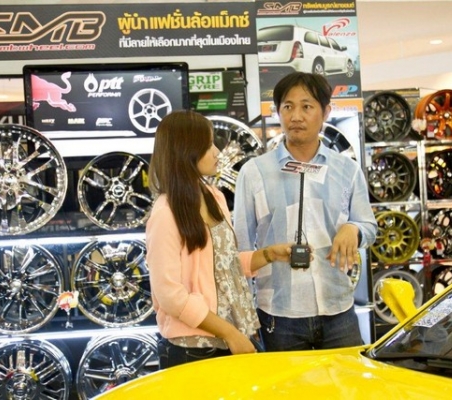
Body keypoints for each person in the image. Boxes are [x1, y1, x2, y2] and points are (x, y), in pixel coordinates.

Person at [233, 72, 377, 351]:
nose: (296, 116)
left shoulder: (346, 169)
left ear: (326, 112)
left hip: (338, 308)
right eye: (288, 107)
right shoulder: (254, 172)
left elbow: (369, 226)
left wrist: (354, 229)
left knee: (345, 380)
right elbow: (240, 248)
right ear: (278, 112)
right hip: (278, 314)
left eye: (307, 106)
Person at [146, 109, 296, 369]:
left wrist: (269, 254)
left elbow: (225, 265)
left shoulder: (214, 197)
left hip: (232, 337)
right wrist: (228, 332)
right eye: (208, 146)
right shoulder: (165, 214)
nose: (217, 152)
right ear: (185, 151)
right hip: (193, 349)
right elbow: (169, 294)